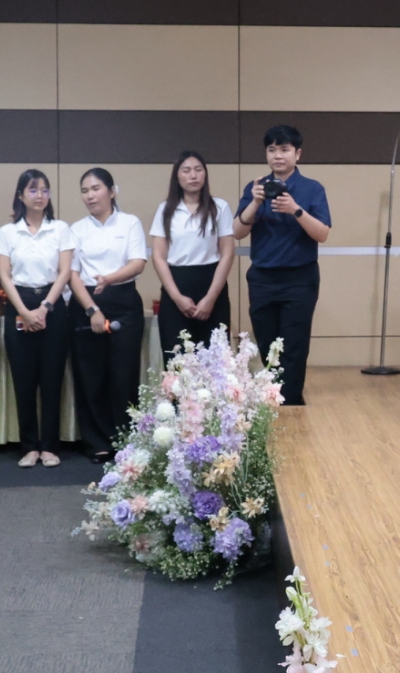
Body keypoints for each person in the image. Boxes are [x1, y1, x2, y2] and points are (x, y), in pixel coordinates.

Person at [233, 125, 330, 406]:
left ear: (297, 154)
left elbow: (322, 233)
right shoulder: (255, 187)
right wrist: (255, 202)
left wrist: (295, 209)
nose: (278, 155)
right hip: (262, 278)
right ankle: (271, 397)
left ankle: (292, 402)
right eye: (272, 149)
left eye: (284, 149)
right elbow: (237, 231)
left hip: (300, 278)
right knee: (266, 341)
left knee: (294, 344)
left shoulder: (312, 188)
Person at [66, 168, 147, 463]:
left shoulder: (129, 222)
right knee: (90, 376)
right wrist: (92, 310)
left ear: (112, 191)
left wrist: (109, 279)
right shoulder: (76, 229)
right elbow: (72, 274)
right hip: (86, 304)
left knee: (123, 375)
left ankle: (125, 440)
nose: (90, 195)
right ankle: (96, 442)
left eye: (96, 188)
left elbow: (138, 262)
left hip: (124, 301)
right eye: (85, 190)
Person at [0, 169, 72, 468]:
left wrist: (44, 308)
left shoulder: (60, 229)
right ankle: (29, 446)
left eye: (44, 190)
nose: (40, 196)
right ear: (20, 195)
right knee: (24, 380)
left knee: (52, 379)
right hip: (19, 303)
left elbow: (64, 272)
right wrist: (25, 312)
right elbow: (5, 276)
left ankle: (49, 446)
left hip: (52, 304)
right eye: (33, 190)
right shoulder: (8, 232)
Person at [150, 151, 235, 358]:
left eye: (198, 170)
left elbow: (227, 253)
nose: (193, 175)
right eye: (186, 171)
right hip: (176, 287)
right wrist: (176, 297)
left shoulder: (219, 207)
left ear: (205, 174)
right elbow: (158, 256)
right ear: (177, 176)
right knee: (176, 360)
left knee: (215, 362)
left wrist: (210, 298)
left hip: (212, 286)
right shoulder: (165, 209)